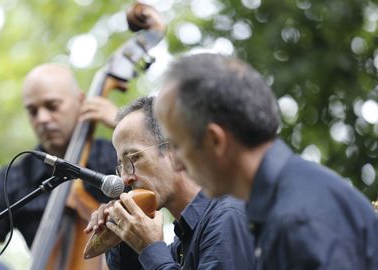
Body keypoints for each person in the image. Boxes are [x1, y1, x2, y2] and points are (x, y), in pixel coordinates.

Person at [155, 53, 378, 269]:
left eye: (178, 145)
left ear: (216, 140)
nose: (177, 165)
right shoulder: (288, 199)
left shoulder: (296, 221)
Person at [85, 96, 254, 269]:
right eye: (121, 166)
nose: (125, 178)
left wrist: (150, 249)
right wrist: (124, 234)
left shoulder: (227, 217)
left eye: (134, 158)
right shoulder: (181, 242)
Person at [0, 63, 118, 250]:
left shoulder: (116, 156)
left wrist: (124, 124)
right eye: (33, 111)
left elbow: (166, 181)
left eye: (52, 106)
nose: (42, 118)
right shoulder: (14, 178)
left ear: (81, 101)